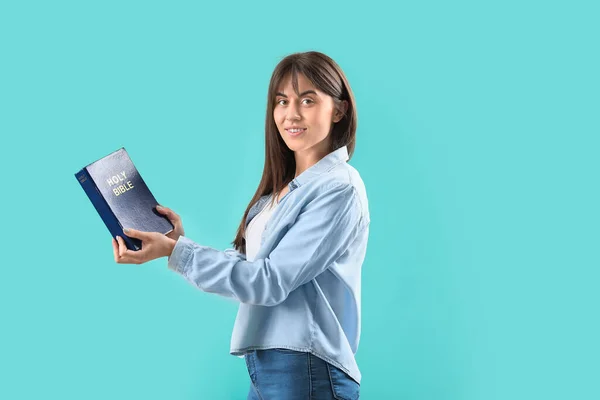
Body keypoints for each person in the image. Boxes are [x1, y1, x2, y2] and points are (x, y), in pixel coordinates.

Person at [112, 51, 370, 400]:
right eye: (282, 101)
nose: (291, 114)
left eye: (307, 100)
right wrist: (177, 243)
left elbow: (269, 281)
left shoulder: (339, 187)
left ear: (339, 110)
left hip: (308, 366)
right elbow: (249, 268)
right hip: (271, 363)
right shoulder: (280, 194)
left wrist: (178, 253)